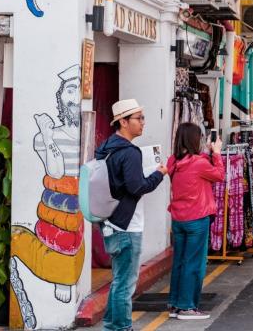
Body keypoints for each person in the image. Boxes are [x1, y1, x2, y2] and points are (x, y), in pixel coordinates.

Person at [94, 99, 166, 331]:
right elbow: (137, 187)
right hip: (127, 225)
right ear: (123, 122)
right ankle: (121, 327)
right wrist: (159, 174)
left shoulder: (107, 149)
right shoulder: (130, 152)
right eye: (139, 118)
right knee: (125, 284)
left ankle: (111, 325)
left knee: (118, 280)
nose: (143, 123)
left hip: (110, 221)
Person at [165, 123, 225, 320]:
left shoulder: (172, 161)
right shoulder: (198, 163)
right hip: (197, 218)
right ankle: (187, 307)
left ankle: (175, 304)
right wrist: (216, 153)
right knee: (195, 264)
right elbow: (219, 175)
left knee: (180, 262)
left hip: (178, 218)